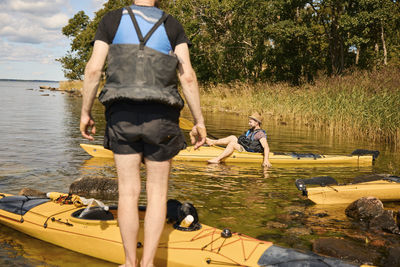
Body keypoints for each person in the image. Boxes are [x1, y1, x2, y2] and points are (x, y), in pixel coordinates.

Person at [79, 1, 206, 266]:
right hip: (162, 118)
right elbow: (188, 77)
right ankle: (147, 263)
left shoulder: (111, 21)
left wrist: (85, 112)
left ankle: (129, 262)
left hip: (122, 116)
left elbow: (93, 70)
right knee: (158, 193)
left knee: (127, 191)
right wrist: (199, 121)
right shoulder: (172, 25)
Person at [206, 112, 272, 167]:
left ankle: (217, 159)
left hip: (248, 152)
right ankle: (212, 142)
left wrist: (266, 160)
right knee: (232, 137)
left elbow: (266, 147)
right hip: (245, 148)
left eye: (250, 122)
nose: (249, 124)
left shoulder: (260, 134)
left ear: (256, 123)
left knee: (232, 144)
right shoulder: (251, 131)